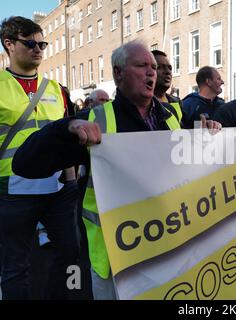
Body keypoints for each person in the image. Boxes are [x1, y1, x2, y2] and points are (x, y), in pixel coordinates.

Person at [12, 40, 221, 300]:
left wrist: (211, 135)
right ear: (118, 73)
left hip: (166, 249)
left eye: (153, 67)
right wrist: (65, 129)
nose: (151, 72)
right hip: (115, 259)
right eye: (141, 65)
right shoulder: (94, 121)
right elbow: (24, 163)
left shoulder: (170, 117)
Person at [0, 16, 79, 300]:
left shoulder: (56, 89)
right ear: (9, 44)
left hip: (57, 188)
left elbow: (66, 139)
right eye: (30, 43)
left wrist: (70, 182)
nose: (38, 49)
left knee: (71, 254)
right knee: (15, 266)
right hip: (11, 190)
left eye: (41, 43)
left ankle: (63, 296)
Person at [152, 50, 183, 124]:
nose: (168, 72)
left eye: (170, 68)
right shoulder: (143, 105)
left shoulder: (176, 101)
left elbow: (187, 128)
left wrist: (203, 127)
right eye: (159, 67)